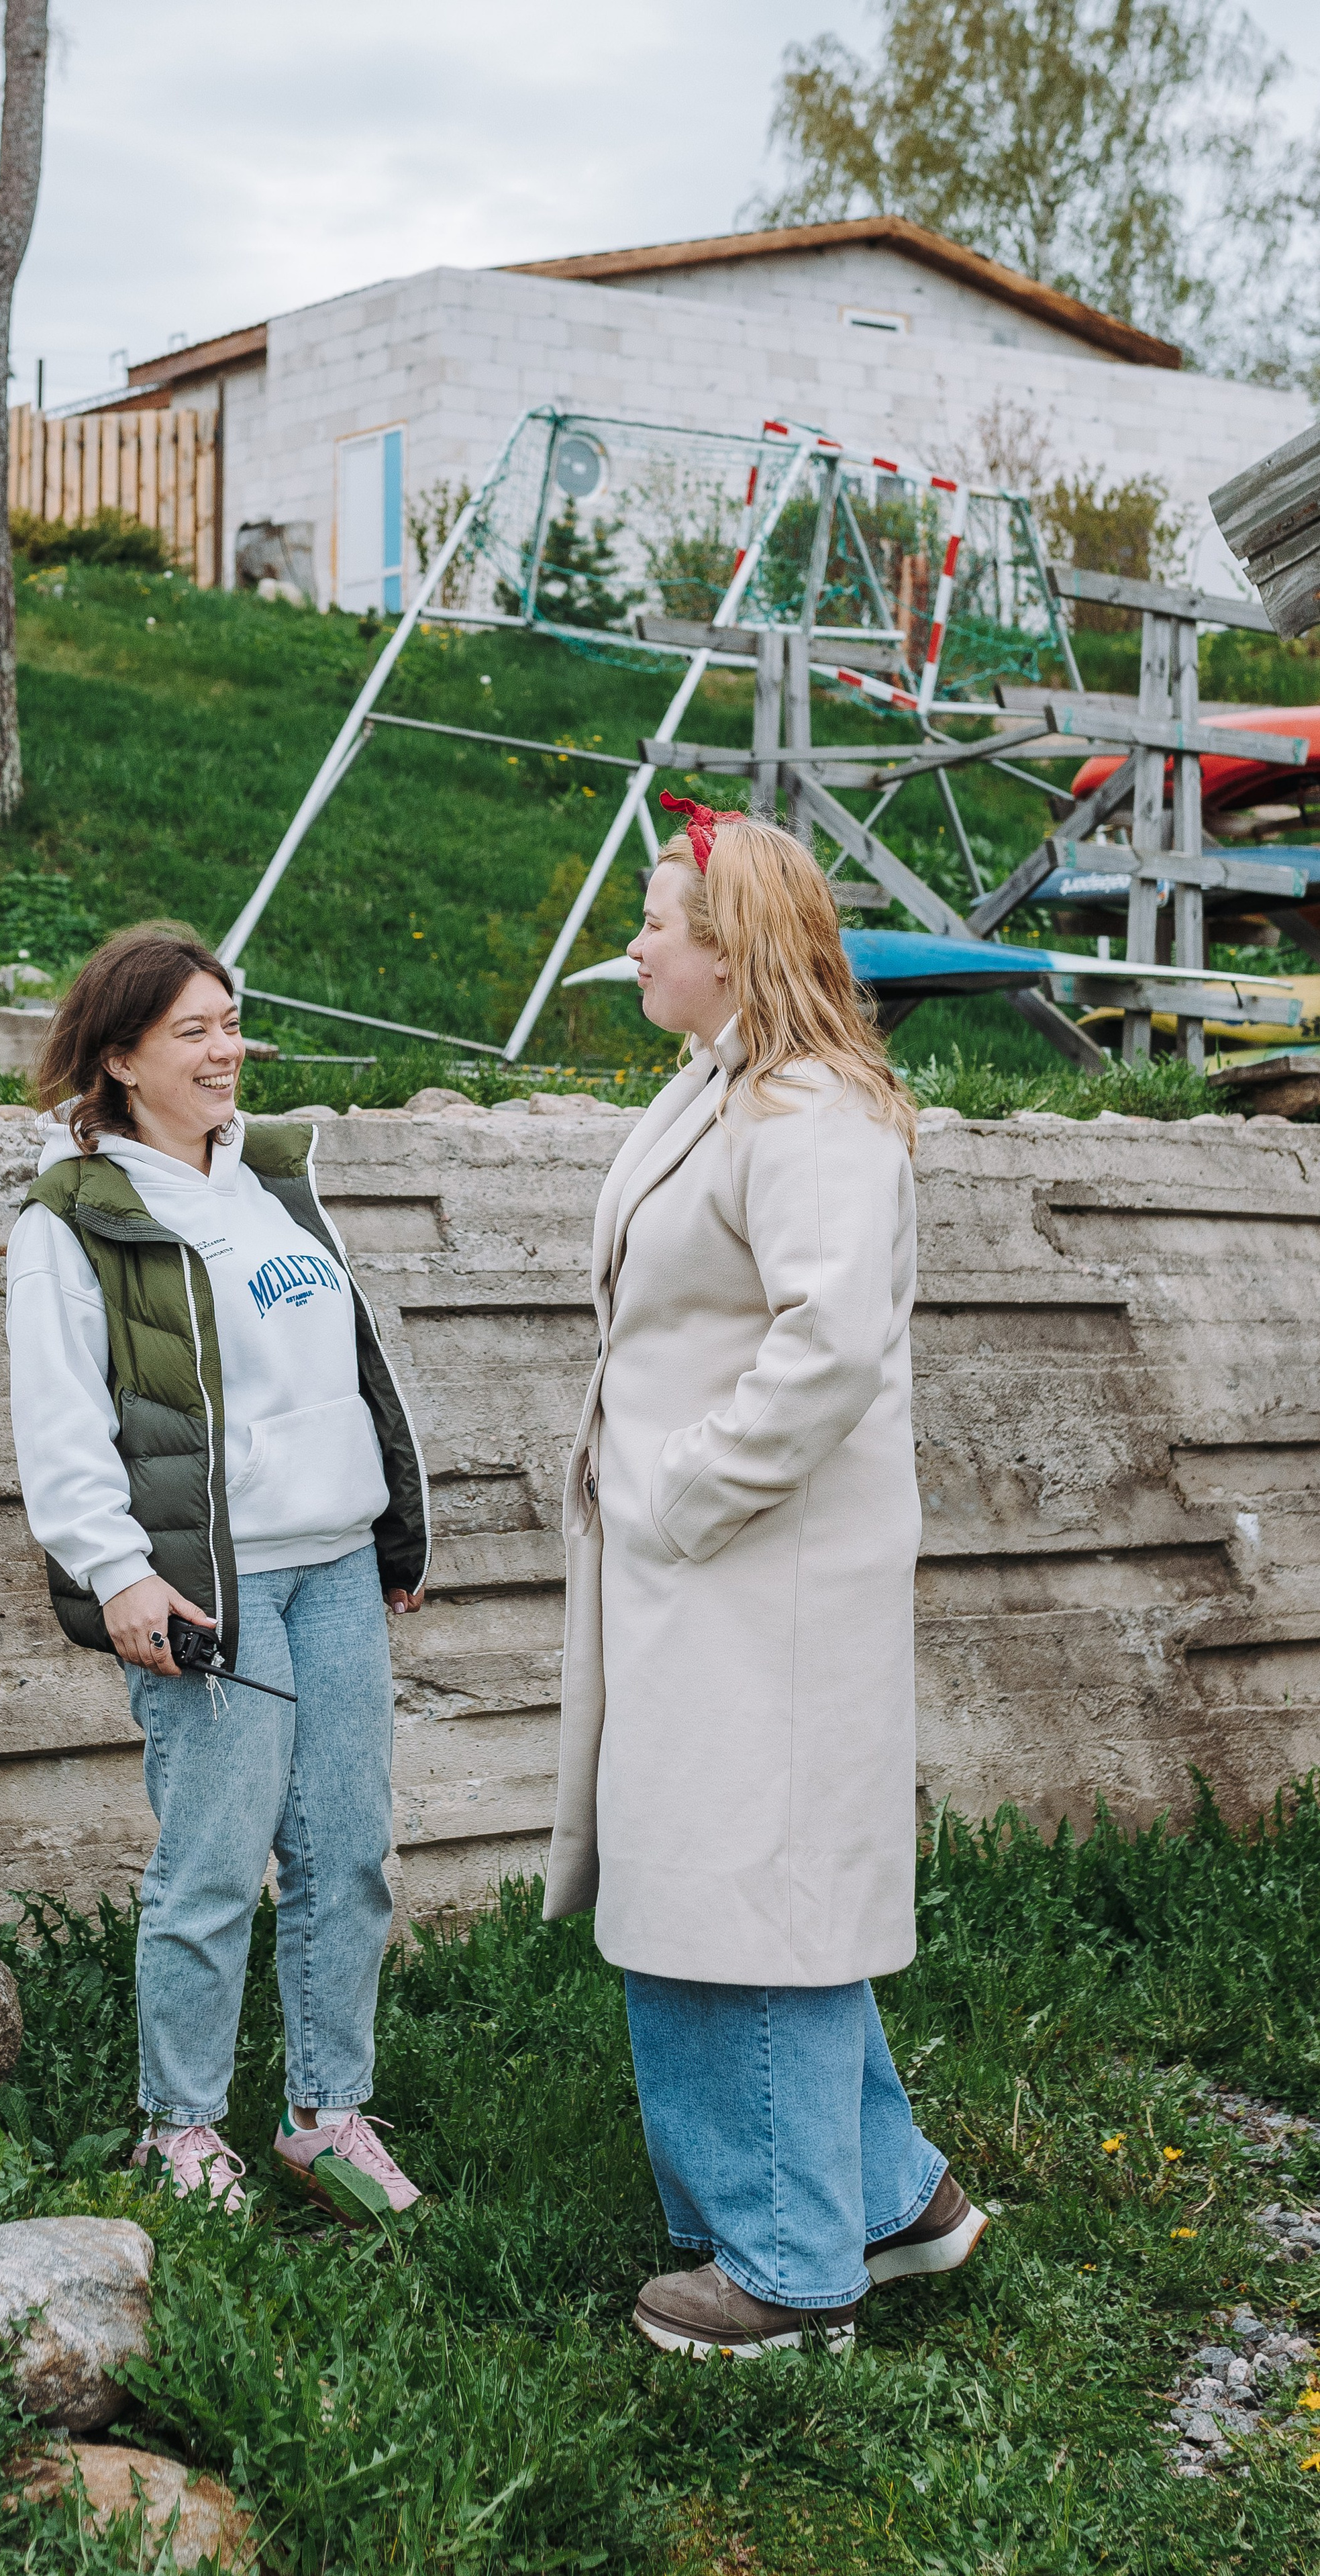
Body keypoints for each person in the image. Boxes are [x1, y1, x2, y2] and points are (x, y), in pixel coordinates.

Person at [544, 801, 986, 2359]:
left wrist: (675, 1495)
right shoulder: (722, 1085)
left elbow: (828, 1347)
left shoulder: (804, 1113)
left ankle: (792, 2270)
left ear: (731, 953)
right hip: (706, 1577)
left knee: (741, 1899)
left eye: (659, 921)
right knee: (743, 1875)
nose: (637, 941)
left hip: (754, 1572)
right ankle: (892, 2198)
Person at [4, 922, 430, 2218]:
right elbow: (59, 1415)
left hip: (338, 1564)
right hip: (208, 1585)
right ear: (123, 1057)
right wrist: (116, 1571)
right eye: (192, 1030)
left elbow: (352, 1370)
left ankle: (326, 2113)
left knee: (347, 1854)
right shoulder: (75, 1219)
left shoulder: (275, 1181)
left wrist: (394, 1527)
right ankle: (178, 2128)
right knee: (213, 1860)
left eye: (231, 1021)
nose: (225, 1049)